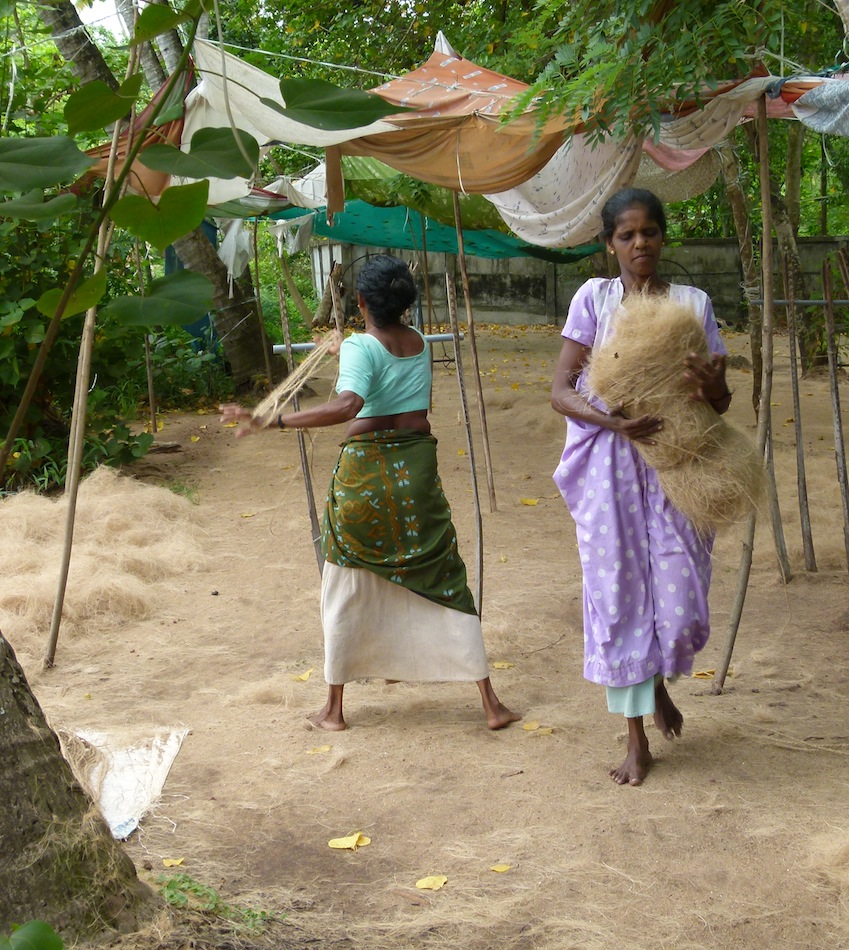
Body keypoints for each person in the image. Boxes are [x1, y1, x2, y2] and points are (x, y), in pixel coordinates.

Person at [220, 254, 519, 732]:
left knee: (344, 579)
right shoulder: (418, 342)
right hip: (416, 472)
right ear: (406, 301)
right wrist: (345, 349)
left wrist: (272, 420)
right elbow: (381, 365)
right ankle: (490, 704)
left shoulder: (363, 346)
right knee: (442, 571)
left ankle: (334, 710)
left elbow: (348, 404)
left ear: (359, 301)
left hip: (366, 478)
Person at [550, 188, 731, 786]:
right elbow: (561, 391)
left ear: (663, 236)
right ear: (609, 245)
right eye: (626, 235)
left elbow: (720, 400)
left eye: (649, 232)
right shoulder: (594, 299)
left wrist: (711, 388)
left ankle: (656, 684)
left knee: (681, 603)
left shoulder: (692, 304)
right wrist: (613, 421)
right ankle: (635, 738)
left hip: (677, 463)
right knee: (618, 589)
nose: (639, 244)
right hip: (608, 460)